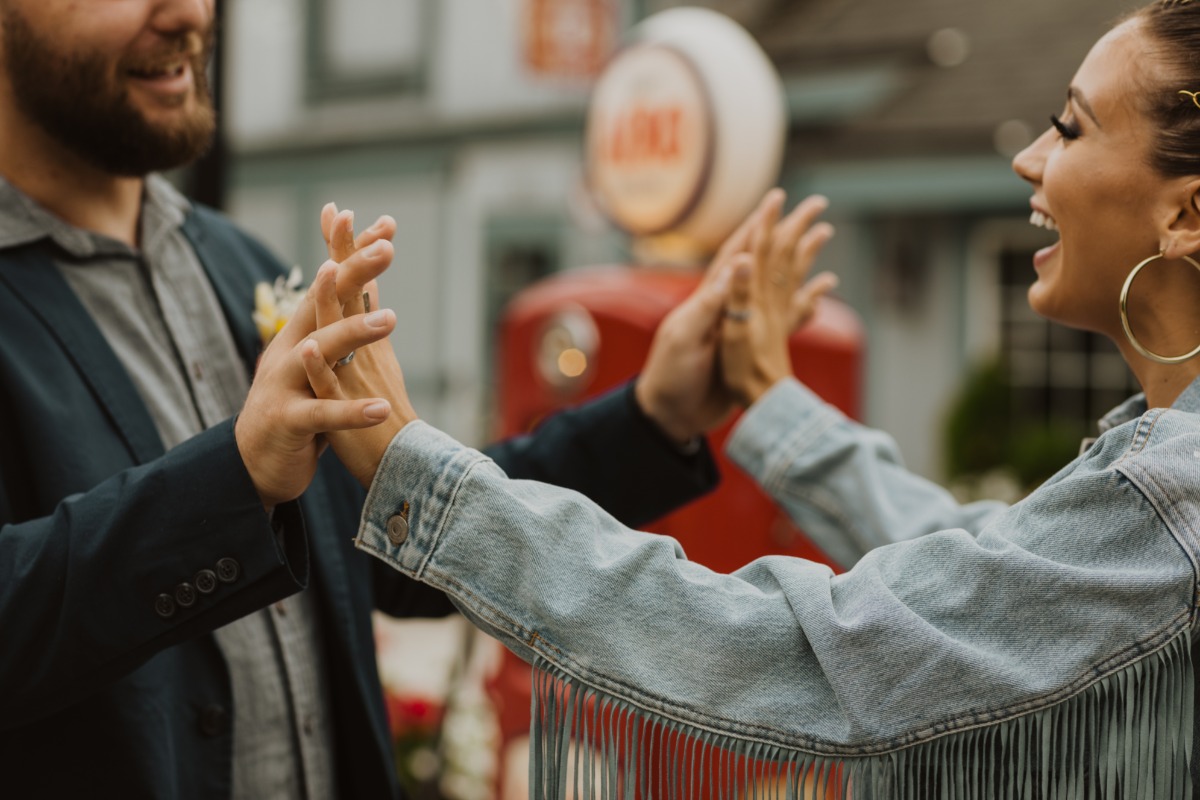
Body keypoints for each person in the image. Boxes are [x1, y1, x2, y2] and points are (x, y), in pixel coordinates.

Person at [305, 0, 1200, 795]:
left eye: (1071, 128)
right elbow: (979, 572)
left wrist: (417, 472)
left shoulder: (1165, 496)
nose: (1028, 156)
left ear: (1185, 217)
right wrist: (768, 399)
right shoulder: (1157, 470)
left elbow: (804, 650)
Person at [0, 0, 832, 796]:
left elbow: (397, 545)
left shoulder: (236, 264)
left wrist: (656, 414)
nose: (187, 12)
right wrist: (238, 481)